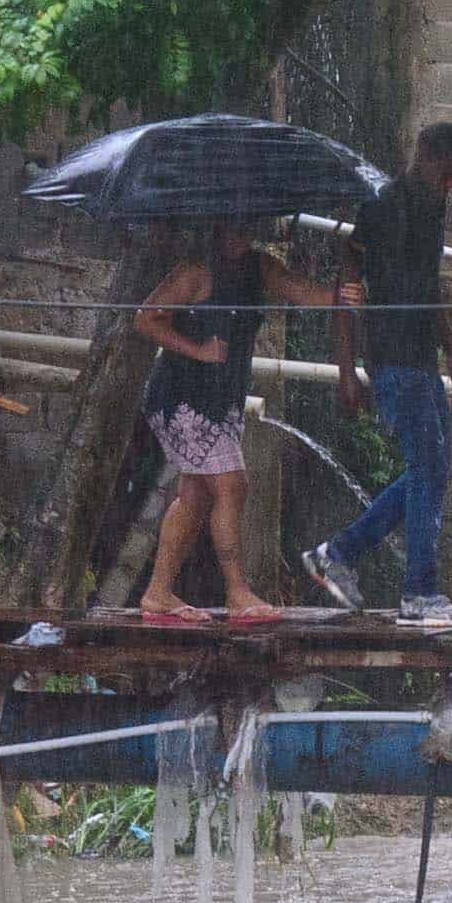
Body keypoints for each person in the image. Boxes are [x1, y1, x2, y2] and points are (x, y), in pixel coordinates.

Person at [303, 121, 452, 624]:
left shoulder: (434, 208)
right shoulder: (381, 208)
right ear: (423, 156)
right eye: (444, 175)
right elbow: (346, 287)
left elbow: (430, 287)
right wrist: (347, 371)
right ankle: (418, 593)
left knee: (433, 471)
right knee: (427, 468)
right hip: (392, 360)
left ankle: (339, 553)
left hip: (422, 359)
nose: (449, 186)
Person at [129, 220, 285, 622]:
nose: (240, 234)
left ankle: (158, 592)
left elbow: (302, 290)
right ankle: (237, 591)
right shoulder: (194, 272)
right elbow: (146, 318)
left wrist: (343, 295)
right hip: (182, 399)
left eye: (247, 222)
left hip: (221, 402)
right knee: (233, 485)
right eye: (232, 224)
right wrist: (197, 350)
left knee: (195, 496)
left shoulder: (259, 268)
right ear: (216, 227)